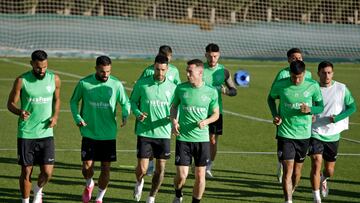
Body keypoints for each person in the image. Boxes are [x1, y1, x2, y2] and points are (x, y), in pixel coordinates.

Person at [70, 56, 130, 203]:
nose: (106, 75)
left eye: (108, 71)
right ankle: (89, 182)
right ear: (96, 68)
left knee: (105, 168)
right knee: (87, 167)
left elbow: (125, 102)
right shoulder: (84, 83)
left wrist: (125, 113)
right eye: (103, 71)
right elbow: (73, 101)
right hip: (89, 131)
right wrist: (78, 118)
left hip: (108, 134)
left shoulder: (116, 84)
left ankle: (99, 198)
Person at [7, 50, 61, 203]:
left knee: (47, 173)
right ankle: (25, 201)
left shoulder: (54, 79)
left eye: (44, 67)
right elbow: (10, 104)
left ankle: (38, 190)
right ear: (31, 64)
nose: (42, 70)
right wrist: (19, 111)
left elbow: (57, 99)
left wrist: (55, 116)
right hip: (27, 133)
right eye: (38, 67)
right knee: (26, 171)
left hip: (46, 132)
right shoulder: (22, 80)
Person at [267, 60, 324, 203]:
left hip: (304, 135)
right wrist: (275, 115)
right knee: (288, 170)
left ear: (304, 73)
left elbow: (321, 107)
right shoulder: (281, 85)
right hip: (285, 133)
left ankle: (293, 189)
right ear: (290, 74)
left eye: (299, 77)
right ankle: (288, 201)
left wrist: (311, 109)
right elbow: (270, 99)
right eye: (293, 77)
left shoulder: (313, 85)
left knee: (297, 173)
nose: (296, 80)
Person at [171, 59, 219, 203]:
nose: (187, 74)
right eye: (187, 71)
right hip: (183, 139)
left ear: (200, 72)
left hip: (202, 140)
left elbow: (216, 114)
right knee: (182, 175)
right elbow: (173, 107)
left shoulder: (211, 92)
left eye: (190, 71)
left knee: (200, 175)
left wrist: (206, 121)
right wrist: (173, 121)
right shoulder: (181, 88)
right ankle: (178, 193)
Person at [130, 55, 177, 203]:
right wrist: (138, 113)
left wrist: (174, 121)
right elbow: (132, 101)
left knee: (160, 168)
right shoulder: (142, 84)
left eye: (163, 69)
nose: (160, 73)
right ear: (153, 67)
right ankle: (139, 182)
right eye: (157, 69)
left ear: (167, 69)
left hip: (163, 133)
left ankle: (151, 197)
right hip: (145, 132)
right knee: (143, 169)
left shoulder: (173, 87)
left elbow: (176, 107)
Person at [309, 61, 356, 203]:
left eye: (329, 72)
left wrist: (338, 118)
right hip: (315, 131)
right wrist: (309, 113)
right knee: (316, 162)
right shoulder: (312, 88)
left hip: (333, 134)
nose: (326, 75)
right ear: (318, 73)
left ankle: (323, 179)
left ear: (333, 73)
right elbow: (306, 106)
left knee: (329, 170)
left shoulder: (341, 88)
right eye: (323, 73)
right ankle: (316, 198)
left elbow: (352, 107)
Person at [137, 45, 181, 176]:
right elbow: (140, 88)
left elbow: (177, 87)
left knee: (161, 158)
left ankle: (155, 168)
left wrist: (175, 118)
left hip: (165, 112)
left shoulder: (174, 71)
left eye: (168, 57)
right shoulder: (148, 71)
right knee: (148, 142)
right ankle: (149, 163)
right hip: (149, 110)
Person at [271, 47, 312, 183]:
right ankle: (281, 164)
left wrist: (311, 111)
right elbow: (273, 95)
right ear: (288, 59)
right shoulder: (282, 74)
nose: (297, 60)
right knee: (283, 147)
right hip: (285, 119)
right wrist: (276, 115)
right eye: (294, 58)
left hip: (302, 121)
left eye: (299, 57)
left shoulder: (309, 74)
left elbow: (312, 94)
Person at [202, 43, 237, 178]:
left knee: (212, 140)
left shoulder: (224, 71)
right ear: (205, 55)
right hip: (199, 110)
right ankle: (199, 163)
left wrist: (227, 91)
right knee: (198, 140)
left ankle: (208, 166)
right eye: (210, 56)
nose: (212, 59)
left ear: (219, 55)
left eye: (215, 56)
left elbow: (234, 91)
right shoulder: (199, 69)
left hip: (216, 112)